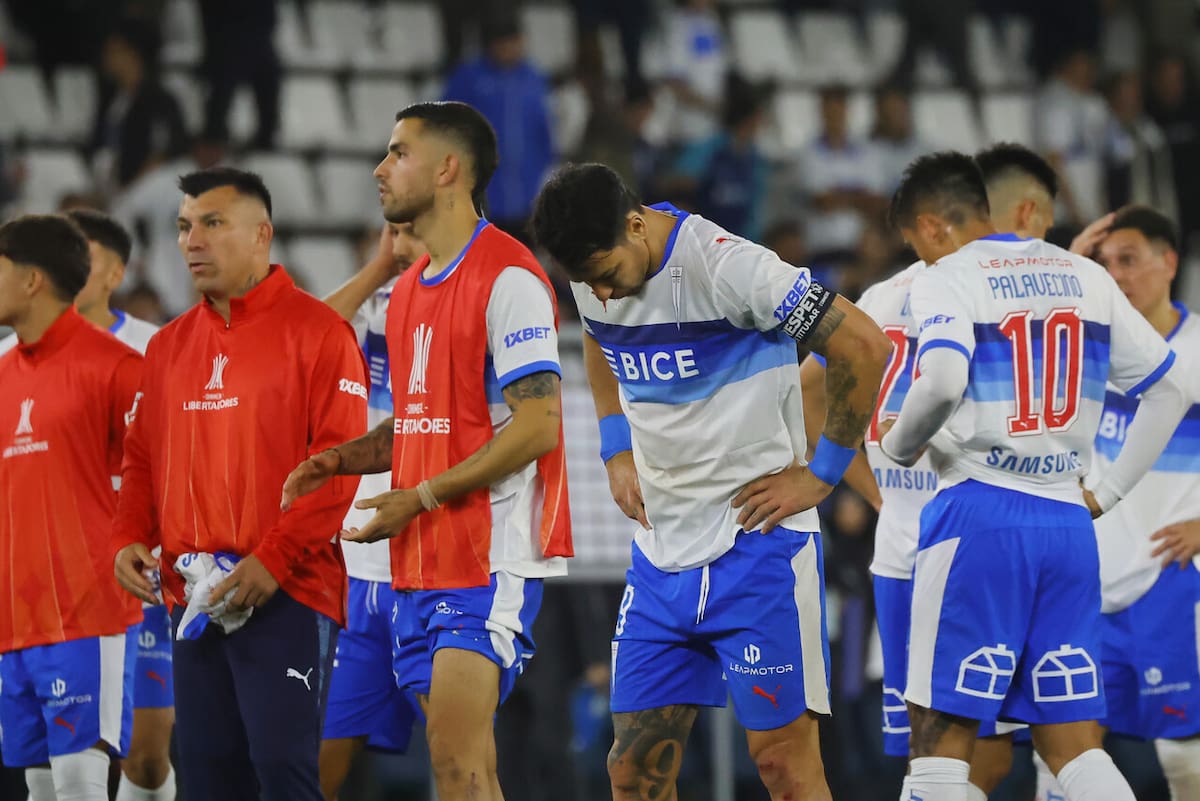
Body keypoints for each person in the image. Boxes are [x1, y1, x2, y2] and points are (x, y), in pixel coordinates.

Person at [530, 162, 893, 801]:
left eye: (605, 274)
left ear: (636, 225)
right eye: (585, 282)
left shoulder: (731, 268)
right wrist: (615, 447)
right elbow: (596, 336)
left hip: (760, 548)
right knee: (632, 773)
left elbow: (863, 344)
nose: (602, 294)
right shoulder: (597, 277)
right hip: (660, 555)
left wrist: (822, 476)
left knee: (784, 770)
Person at [281, 101, 573, 801]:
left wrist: (422, 496)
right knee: (461, 767)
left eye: (398, 152)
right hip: (416, 559)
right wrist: (341, 459)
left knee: (458, 761)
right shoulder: (408, 291)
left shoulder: (508, 277)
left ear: (447, 169)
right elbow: (414, 424)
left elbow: (538, 425)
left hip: (486, 556)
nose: (379, 169)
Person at [879, 151, 1187, 801]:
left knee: (938, 750)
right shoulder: (1085, 276)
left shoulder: (948, 277)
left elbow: (942, 380)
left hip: (978, 518)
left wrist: (898, 443)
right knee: (1073, 748)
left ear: (937, 223)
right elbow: (1171, 389)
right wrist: (1107, 494)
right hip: (1068, 525)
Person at [801, 143, 1068, 798]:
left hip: (904, 551)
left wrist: (871, 490)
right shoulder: (1003, 300)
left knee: (935, 753)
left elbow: (807, 389)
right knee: (1004, 751)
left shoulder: (879, 298)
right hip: (986, 545)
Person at [110, 166, 368, 801]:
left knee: (283, 775)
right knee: (206, 781)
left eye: (212, 223)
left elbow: (337, 471)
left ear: (262, 235)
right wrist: (128, 536)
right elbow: (142, 458)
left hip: (289, 592)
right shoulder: (168, 347)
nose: (192, 241)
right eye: (183, 227)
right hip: (194, 601)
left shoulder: (320, 333)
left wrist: (272, 562)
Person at [1036, 206, 1200, 800]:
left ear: (1169, 262)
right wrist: (1067, 265)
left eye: (1129, 260)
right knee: (1062, 750)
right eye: (1104, 264)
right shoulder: (1080, 347)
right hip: (1084, 577)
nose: (1117, 276)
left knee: (1183, 758)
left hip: (1172, 580)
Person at [16, 209, 171, 801]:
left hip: (121, 581)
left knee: (139, 760)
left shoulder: (141, 353)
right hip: (35, 591)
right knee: (46, 767)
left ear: (113, 272)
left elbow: (169, 460)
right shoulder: (8, 362)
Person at [317, 221, 424, 801]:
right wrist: (380, 267)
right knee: (317, 769)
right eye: (392, 232)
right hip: (360, 570)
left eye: (409, 231)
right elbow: (303, 337)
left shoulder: (479, 301)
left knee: (462, 758)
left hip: (437, 571)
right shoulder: (375, 307)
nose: (399, 243)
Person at [442, 8, 555, 241]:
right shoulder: (468, 78)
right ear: (491, 45)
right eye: (504, 44)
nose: (510, 49)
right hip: (483, 194)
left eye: (514, 42)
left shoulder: (533, 79)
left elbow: (544, 132)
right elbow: (446, 124)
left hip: (526, 195)